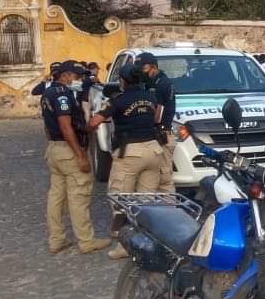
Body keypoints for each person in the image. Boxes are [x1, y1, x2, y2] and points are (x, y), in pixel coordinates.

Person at [88, 63, 164, 260]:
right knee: (146, 202)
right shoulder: (150, 97)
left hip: (130, 153)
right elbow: (157, 118)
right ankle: (147, 243)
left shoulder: (118, 100)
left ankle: (125, 246)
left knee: (120, 200)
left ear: (123, 80)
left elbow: (95, 122)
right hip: (153, 151)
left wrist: (88, 125)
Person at [41, 60, 111, 255]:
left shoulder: (48, 93)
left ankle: (56, 239)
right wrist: (81, 155)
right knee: (79, 196)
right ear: (65, 75)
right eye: (77, 77)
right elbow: (65, 126)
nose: (79, 80)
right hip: (68, 150)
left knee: (56, 197)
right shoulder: (62, 95)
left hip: (55, 150)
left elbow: (48, 126)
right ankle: (86, 241)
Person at [135, 52, 177, 193]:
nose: (141, 72)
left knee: (164, 178)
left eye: (143, 68)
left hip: (162, 134)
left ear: (153, 67)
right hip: (155, 135)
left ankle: (169, 211)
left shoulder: (161, 84)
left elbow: (157, 116)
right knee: (151, 177)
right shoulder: (149, 82)